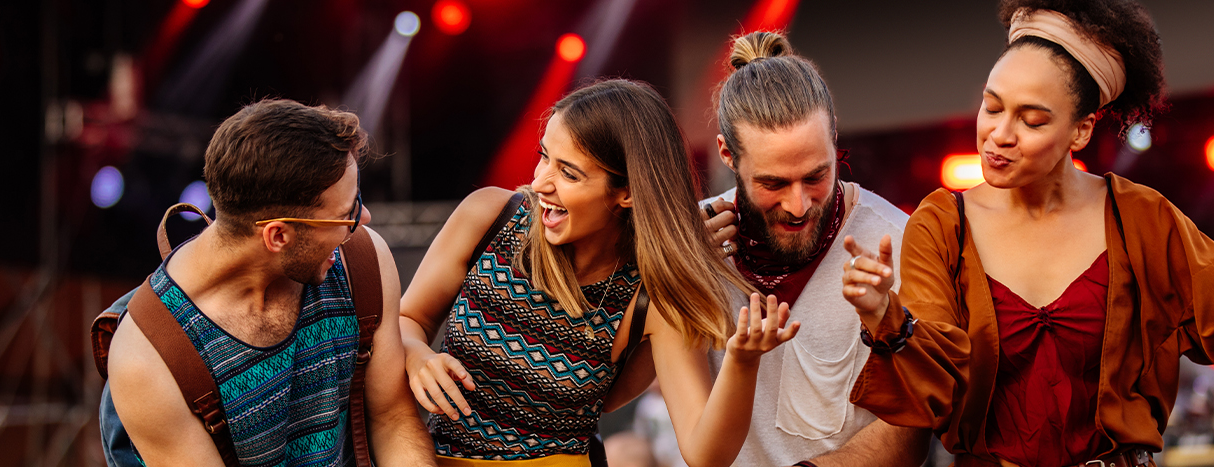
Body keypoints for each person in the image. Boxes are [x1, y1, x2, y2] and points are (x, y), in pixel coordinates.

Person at [840, 1, 1214, 466]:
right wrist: (888, 319)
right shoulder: (943, 223)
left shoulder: (1143, 219)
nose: (999, 134)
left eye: (1032, 120)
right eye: (991, 106)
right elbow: (934, 386)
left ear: (1081, 130)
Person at [399, 79, 799, 467]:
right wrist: (416, 354)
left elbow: (705, 454)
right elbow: (408, 319)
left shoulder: (653, 297)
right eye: (544, 157)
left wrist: (742, 362)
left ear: (626, 192)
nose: (540, 182)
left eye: (569, 173)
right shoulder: (489, 216)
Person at [105, 99, 435, 466]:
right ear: (278, 236)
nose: (365, 220)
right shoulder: (147, 359)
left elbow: (392, 420)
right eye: (346, 214)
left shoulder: (363, 261)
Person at [699, 31, 931, 467]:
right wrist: (662, 275)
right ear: (728, 154)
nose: (798, 205)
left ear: (835, 138)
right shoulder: (692, 241)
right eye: (773, 183)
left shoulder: (897, 242)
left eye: (815, 176)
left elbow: (916, 422)